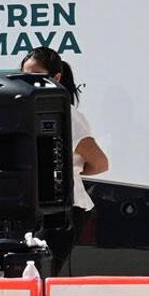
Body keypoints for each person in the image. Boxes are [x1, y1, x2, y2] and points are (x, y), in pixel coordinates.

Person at [21, 46, 108, 274]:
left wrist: (70, 170)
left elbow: (100, 163)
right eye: (25, 77)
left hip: (64, 208)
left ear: (56, 77)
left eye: (36, 76)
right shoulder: (24, 114)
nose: (29, 83)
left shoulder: (67, 116)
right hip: (34, 206)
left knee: (45, 275)